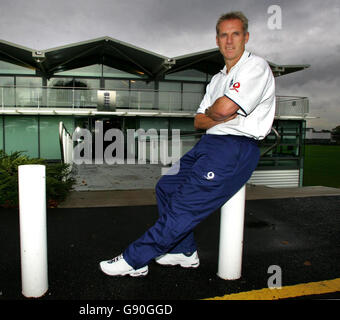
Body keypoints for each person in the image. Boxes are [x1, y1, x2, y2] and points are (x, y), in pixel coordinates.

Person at [99, 11, 276, 277]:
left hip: (235, 148)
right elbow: (199, 121)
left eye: (235, 34)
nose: (229, 41)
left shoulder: (255, 67)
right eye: (223, 35)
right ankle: (184, 252)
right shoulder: (217, 79)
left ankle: (134, 258)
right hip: (208, 145)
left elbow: (223, 108)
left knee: (185, 206)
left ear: (245, 37)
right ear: (217, 40)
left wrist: (220, 112)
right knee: (167, 186)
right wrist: (222, 114)